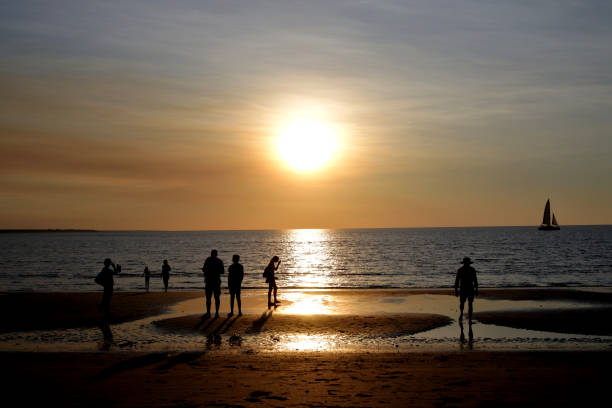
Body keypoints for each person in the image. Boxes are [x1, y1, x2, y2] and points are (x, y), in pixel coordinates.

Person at [454, 256, 479, 323]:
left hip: (464, 288)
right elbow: (475, 280)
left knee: (465, 303)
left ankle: (463, 315)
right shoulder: (472, 270)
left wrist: (456, 290)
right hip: (469, 288)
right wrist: (476, 289)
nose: (467, 264)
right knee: (468, 303)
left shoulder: (460, 270)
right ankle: (466, 316)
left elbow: (457, 281)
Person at [202, 249, 224, 318]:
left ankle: (208, 312)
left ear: (211, 254)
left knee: (208, 298)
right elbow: (222, 271)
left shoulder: (208, 260)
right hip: (217, 281)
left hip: (209, 281)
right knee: (217, 297)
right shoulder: (219, 261)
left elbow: (204, 269)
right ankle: (217, 313)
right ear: (216, 254)